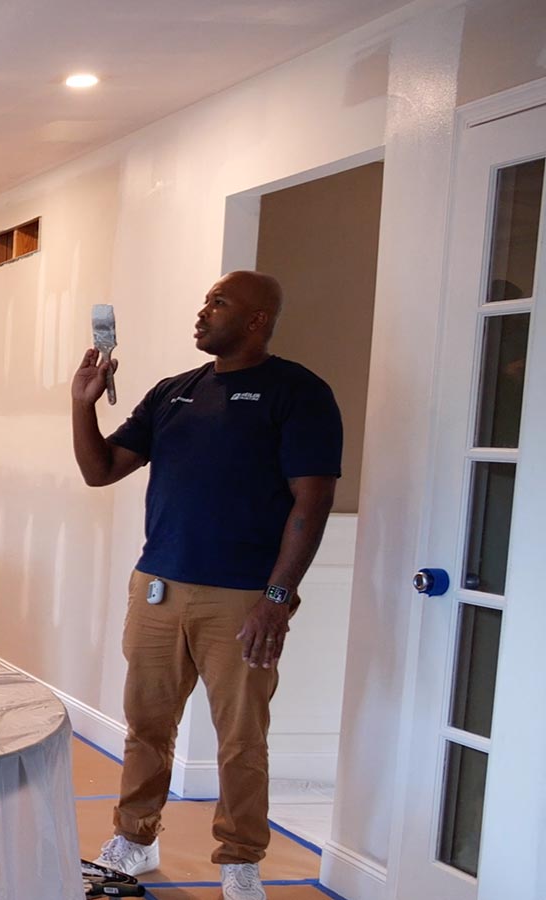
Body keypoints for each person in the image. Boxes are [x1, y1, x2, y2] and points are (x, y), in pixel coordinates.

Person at [71, 271, 341, 900]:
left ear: (256, 320)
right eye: (204, 301)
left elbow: (313, 501)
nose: (202, 311)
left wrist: (277, 599)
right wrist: (82, 403)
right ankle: (135, 838)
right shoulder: (174, 392)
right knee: (146, 725)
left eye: (217, 303)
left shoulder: (298, 392)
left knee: (241, 737)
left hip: (243, 598)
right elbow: (100, 470)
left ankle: (240, 860)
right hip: (158, 587)